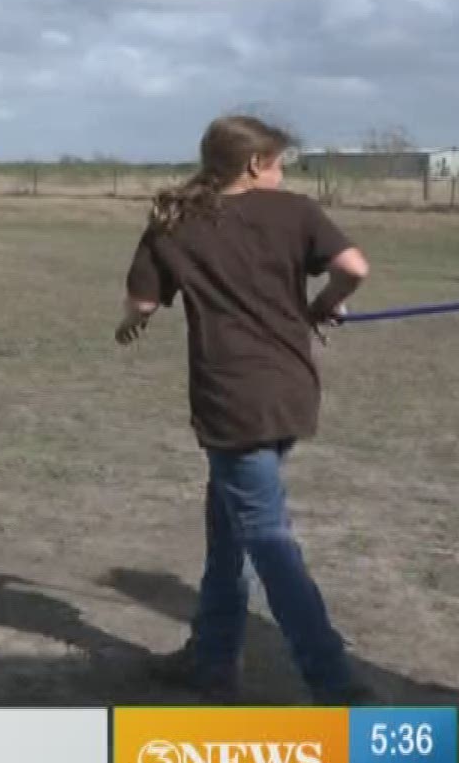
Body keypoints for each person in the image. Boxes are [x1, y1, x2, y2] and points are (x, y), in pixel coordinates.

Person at [116, 114, 375, 705]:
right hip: (289, 391)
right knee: (228, 530)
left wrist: (128, 325)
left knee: (264, 536)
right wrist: (324, 304)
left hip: (233, 400)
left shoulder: (174, 222)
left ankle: (336, 686)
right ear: (254, 164)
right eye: (279, 162)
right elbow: (353, 269)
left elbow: (142, 302)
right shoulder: (296, 213)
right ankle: (210, 662)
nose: (282, 174)